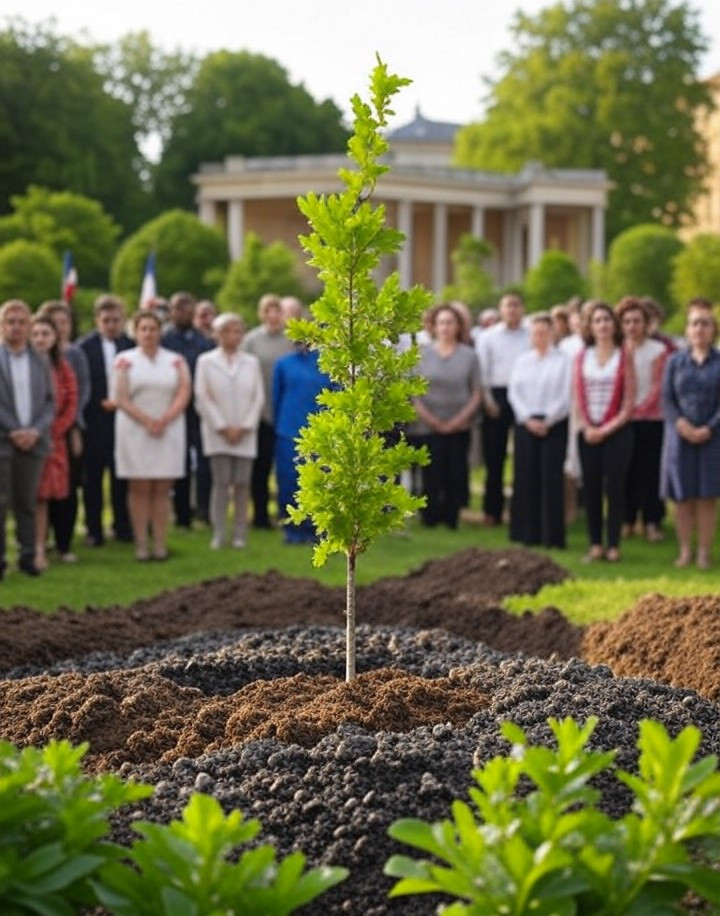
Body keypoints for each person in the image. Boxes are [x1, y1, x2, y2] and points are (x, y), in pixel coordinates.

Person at [113, 310, 191, 561]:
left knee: (162, 487)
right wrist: (147, 420)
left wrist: (166, 418)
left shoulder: (175, 360)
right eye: (143, 328)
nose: (148, 333)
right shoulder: (125, 360)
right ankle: (141, 545)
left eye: (153, 328)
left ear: (160, 331)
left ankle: (160, 543)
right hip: (135, 429)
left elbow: (183, 391)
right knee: (139, 487)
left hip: (169, 428)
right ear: (135, 332)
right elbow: (121, 398)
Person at [573, 300, 635, 563]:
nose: (603, 325)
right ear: (590, 326)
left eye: (607, 320)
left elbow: (629, 402)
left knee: (615, 488)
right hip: (588, 432)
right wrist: (588, 428)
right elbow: (577, 397)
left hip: (617, 432)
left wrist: (607, 429)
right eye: (597, 320)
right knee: (591, 489)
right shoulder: (581, 357)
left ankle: (614, 545)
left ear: (614, 325)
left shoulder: (624, 355)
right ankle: (595, 544)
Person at [194, 314, 264, 549]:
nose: (232, 336)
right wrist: (222, 426)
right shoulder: (205, 361)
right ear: (217, 334)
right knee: (221, 482)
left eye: (237, 331)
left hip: (245, 432)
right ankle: (219, 532)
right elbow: (202, 397)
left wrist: (245, 426)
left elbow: (258, 397)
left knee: (243, 484)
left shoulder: (251, 362)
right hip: (218, 433)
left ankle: (240, 534)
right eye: (226, 331)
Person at [660, 298, 720, 569]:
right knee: (682, 497)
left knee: (707, 495)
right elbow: (666, 399)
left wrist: (710, 426)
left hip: (713, 437)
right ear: (687, 330)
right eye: (695, 324)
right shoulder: (674, 361)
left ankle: (704, 552)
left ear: (713, 330)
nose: (699, 329)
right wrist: (681, 424)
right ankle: (685, 551)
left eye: (705, 324)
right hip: (679, 436)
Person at [411, 303, 482, 529]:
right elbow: (414, 392)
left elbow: (476, 392)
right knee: (431, 472)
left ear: (458, 326)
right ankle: (430, 517)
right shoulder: (422, 354)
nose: (445, 327)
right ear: (434, 326)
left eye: (450, 322)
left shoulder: (469, 355)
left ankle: (452, 517)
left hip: (458, 425)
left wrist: (459, 420)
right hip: (427, 425)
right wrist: (431, 419)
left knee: (455, 471)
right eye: (441, 322)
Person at [0, 299, 55, 577]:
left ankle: (27, 556)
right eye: (11, 322)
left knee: (27, 502)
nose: (16, 327)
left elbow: (49, 402)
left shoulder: (41, 359)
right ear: (2, 326)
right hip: (3, 441)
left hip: (33, 441)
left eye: (22, 322)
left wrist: (34, 430)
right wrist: (14, 430)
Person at [508, 312, 571, 548]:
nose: (539, 336)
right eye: (535, 332)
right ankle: (526, 534)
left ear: (552, 333)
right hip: (526, 423)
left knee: (551, 479)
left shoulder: (563, 360)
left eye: (544, 331)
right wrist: (527, 419)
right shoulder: (522, 361)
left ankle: (551, 537)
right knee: (525, 477)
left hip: (553, 424)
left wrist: (548, 420)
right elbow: (514, 393)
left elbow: (566, 395)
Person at [78, 295, 134, 546]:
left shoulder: (132, 346)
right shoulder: (84, 348)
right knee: (93, 480)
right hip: (94, 423)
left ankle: (123, 526)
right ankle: (94, 529)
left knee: (122, 478)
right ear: (97, 321)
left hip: (126, 422)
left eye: (116, 320)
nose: (111, 325)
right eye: (106, 320)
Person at [38, 300, 90, 563]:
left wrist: (67, 427)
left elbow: (78, 395)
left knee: (66, 489)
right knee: (38, 491)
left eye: (63, 322)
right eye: (53, 322)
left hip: (66, 432)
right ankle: (39, 542)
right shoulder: (29, 358)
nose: (59, 327)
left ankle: (64, 543)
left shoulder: (74, 356)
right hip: (36, 435)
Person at [616, 296, 668, 542]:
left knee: (650, 471)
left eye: (637, 321)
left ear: (646, 323)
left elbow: (659, 386)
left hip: (650, 419)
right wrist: (625, 412)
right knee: (625, 471)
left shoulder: (658, 350)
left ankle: (652, 521)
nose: (632, 326)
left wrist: (637, 409)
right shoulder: (617, 350)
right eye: (627, 322)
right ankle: (627, 519)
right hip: (622, 420)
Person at [476, 293, 530, 525]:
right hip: (496, 396)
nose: (512, 310)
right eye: (508, 306)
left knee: (523, 458)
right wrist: (488, 401)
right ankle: (492, 511)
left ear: (522, 309)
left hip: (526, 396)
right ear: (501, 309)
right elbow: (482, 372)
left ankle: (520, 511)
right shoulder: (488, 337)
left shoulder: (530, 335)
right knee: (494, 458)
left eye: (516, 305)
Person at [29, 315, 78, 571]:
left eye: (45, 334)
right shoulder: (20, 364)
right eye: (35, 334)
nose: (40, 339)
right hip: (21, 439)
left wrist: (54, 431)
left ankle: (40, 548)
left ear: (55, 337)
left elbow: (71, 403)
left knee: (44, 496)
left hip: (53, 441)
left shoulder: (62, 367)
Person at [161, 291, 213, 527]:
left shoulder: (204, 342)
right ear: (171, 312)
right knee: (177, 462)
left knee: (203, 461)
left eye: (189, 309)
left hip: (199, 410)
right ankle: (181, 514)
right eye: (179, 309)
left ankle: (203, 510)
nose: (184, 313)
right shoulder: (164, 340)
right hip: (171, 410)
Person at [242, 293, 294, 529]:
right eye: (267, 311)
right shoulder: (251, 341)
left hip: (286, 412)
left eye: (277, 311)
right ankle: (261, 516)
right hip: (259, 413)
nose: (273, 316)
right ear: (261, 314)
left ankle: (289, 513)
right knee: (260, 469)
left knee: (288, 468)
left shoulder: (291, 340)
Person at [273, 342, 331, 544]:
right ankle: (292, 530)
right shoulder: (284, 364)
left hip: (320, 435)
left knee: (320, 483)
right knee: (289, 482)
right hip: (289, 432)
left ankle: (317, 531)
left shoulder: (328, 364)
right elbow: (276, 398)